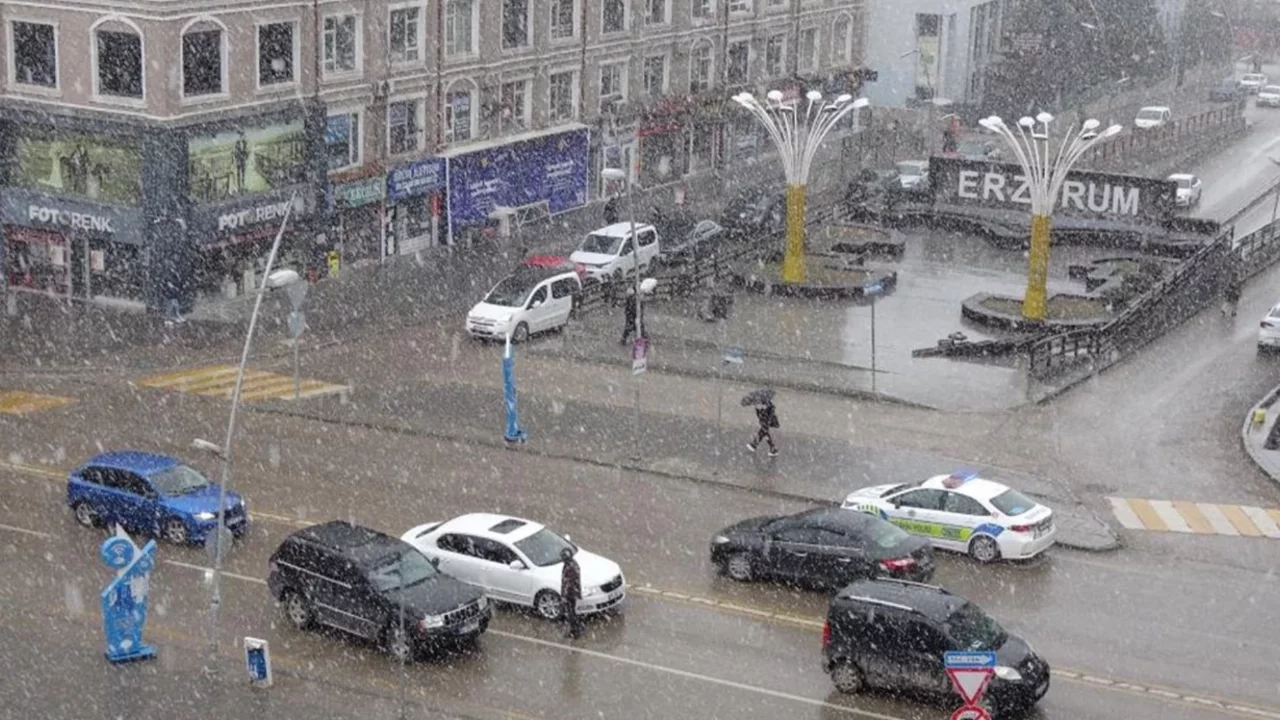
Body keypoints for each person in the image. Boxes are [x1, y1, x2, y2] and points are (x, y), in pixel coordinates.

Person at [559, 547, 584, 639]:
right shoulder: (572, 564)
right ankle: (577, 628)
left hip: (571, 594)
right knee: (572, 611)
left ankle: (575, 631)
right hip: (573, 592)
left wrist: (565, 595)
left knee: (571, 613)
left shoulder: (570, 567)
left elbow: (569, 583)